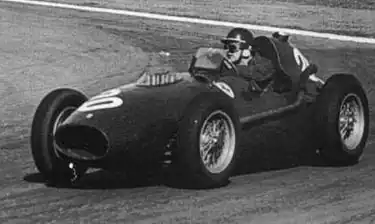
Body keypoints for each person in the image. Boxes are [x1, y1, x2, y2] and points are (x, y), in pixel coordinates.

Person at [221, 28, 276, 92]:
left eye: (232, 48)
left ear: (246, 51)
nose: (228, 52)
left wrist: (234, 69)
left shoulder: (265, 64)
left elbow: (258, 73)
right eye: (225, 47)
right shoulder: (228, 65)